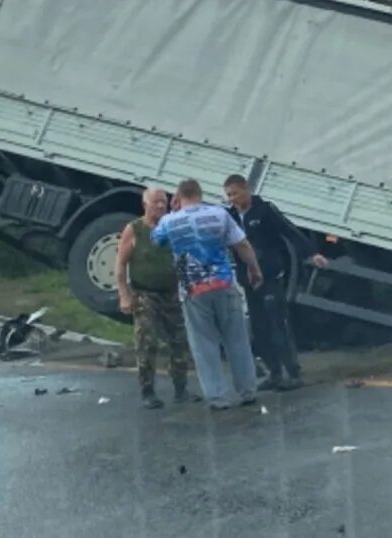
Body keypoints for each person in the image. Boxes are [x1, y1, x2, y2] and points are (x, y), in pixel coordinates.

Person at [151, 178, 264, 410]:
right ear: (200, 194)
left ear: (178, 198)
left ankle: (218, 397)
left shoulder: (170, 221)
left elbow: (156, 240)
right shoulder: (220, 214)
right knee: (237, 340)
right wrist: (254, 269)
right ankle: (248, 391)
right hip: (223, 284)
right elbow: (242, 244)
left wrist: (173, 212)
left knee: (204, 345)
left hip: (194, 291)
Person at [224, 173, 329, 391]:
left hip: (270, 275)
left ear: (246, 190)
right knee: (260, 326)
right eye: (228, 195)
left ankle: (292, 371)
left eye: (234, 194)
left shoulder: (264, 210)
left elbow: (288, 230)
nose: (231, 199)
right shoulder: (230, 216)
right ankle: (274, 372)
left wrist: (311, 253)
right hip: (248, 278)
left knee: (277, 323)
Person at [114, 187, 193, 408]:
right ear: (145, 204)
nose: (160, 206)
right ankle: (147, 391)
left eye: (164, 202)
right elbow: (120, 264)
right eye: (156, 202)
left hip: (171, 293)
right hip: (145, 294)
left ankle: (181, 389)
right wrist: (124, 295)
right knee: (147, 342)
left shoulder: (171, 226)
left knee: (180, 341)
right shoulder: (135, 229)